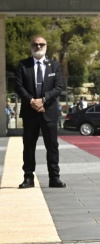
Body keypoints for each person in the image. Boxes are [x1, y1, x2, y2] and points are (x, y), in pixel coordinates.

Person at [15, 34, 67, 188]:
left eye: (41, 44)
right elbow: (18, 86)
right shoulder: (23, 65)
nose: (38, 47)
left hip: (49, 112)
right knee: (29, 146)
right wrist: (32, 101)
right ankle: (28, 178)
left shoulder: (55, 66)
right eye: (35, 44)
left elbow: (58, 87)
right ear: (31, 46)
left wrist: (43, 100)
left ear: (46, 46)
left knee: (52, 146)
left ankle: (54, 177)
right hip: (30, 113)